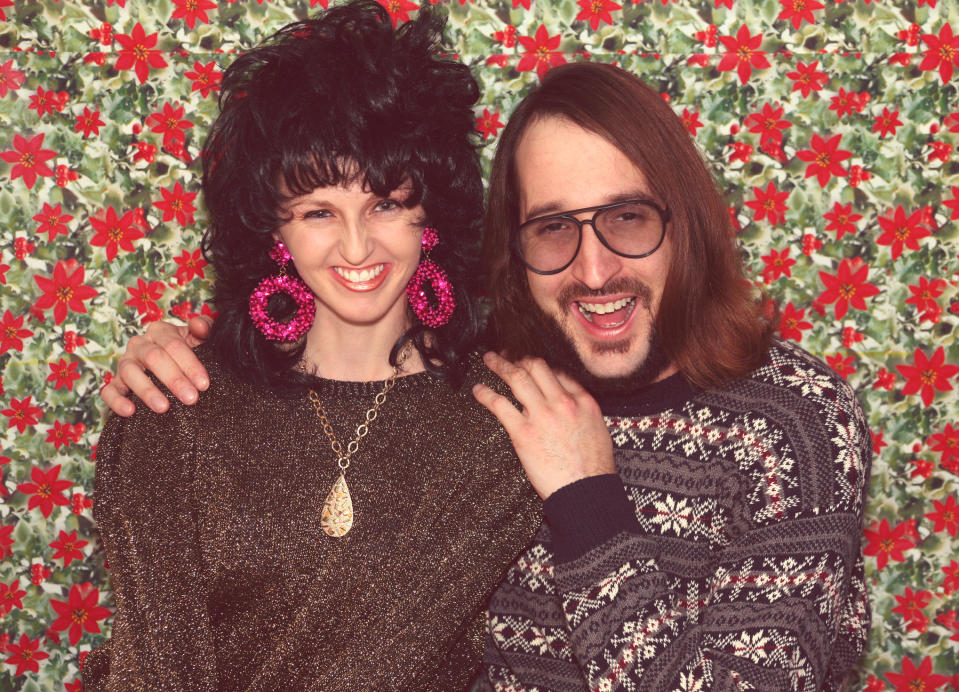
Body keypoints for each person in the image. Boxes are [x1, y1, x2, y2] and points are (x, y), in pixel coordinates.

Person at [102, 63, 872, 691]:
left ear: (686, 223)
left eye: (627, 219)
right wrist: (177, 348)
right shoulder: (499, 380)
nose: (594, 269)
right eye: (553, 230)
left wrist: (587, 501)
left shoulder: (790, 421)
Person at [84, 3, 542, 689]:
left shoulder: (505, 420)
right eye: (318, 212)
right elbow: (152, 668)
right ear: (275, 229)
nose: (356, 247)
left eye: (384, 203)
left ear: (431, 216)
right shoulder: (174, 400)